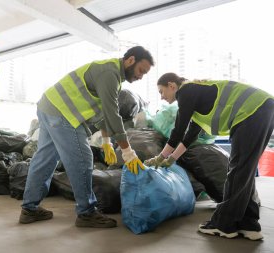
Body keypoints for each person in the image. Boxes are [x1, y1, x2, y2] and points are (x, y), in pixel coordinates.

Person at [19, 46, 155, 228]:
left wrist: (107, 142)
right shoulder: (110, 74)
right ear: (130, 60)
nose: (140, 76)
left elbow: (101, 114)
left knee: (45, 159)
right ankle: (86, 212)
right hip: (62, 113)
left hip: (48, 106)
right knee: (82, 159)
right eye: (141, 71)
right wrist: (127, 151)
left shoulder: (110, 72)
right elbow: (112, 114)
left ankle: (29, 209)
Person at [146, 72, 274, 240]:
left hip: (251, 111)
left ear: (172, 86)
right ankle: (249, 225)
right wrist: (172, 159)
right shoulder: (198, 99)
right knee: (245, 171)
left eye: (162, 91)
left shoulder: (186, 91)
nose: (162, 97)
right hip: (262, 108)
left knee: (237, 171)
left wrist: (160, 157)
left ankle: (224, 225)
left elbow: (177, 131)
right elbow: (188, 137)